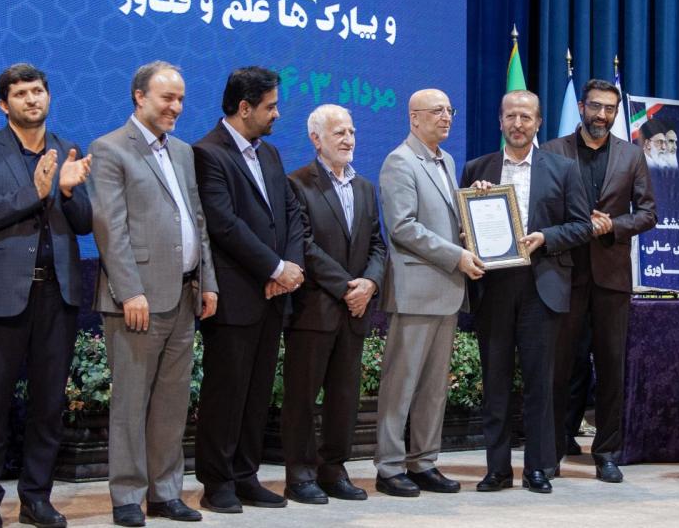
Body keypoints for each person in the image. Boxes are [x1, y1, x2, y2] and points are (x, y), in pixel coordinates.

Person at [0, 64, 93, 528]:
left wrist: (70, 192)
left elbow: (85, 223)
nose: (32, 99)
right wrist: (33, 191)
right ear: (4, 104)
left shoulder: (67, 148)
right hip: (2, 297)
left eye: (38, 91)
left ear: (48, 96)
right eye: (20, 94)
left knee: (49, 405)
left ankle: (36, 498)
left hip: (58, 294)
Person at [89, 62, 218, 526]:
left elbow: (197, 220)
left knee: (172, 403)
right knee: (130, 404)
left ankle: (165, 493)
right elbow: (109, 228)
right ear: (139, 97)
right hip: (137, 301)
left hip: (183, 296)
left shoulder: (182, 151)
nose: (176, 107)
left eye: (180, 98)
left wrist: (208, 282)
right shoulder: (109, 148)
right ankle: (127, 496)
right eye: (167, 98)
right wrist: (130, 292)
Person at [461, 91, 591, 494]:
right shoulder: (477, 169)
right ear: (500, 121)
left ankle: (538, 467)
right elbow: (462, 228)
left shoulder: (563, 169)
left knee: (541, 383)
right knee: (495, 383)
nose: (518, 124)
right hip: (494, 288)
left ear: (538, 123)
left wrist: (545, 238)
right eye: (511, 116)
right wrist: (471, 225)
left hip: (542, 287)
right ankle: (497, 469)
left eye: (526, 117)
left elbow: (582, 226)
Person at [191, 67, 304, 513]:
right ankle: (217, 481)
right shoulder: (208, 153)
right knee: (227, 393)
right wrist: (274, 267)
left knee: (257, 393)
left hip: (274, 295)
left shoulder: (269, 153)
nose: (277, 114)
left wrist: (290, 268)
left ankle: (245, 474)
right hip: (235, 296)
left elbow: (291, 213)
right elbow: (223, 225)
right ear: (244, 108)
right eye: (270, 106)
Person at [542, 79, 657, 483]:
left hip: (611, 278)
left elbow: (648, 213)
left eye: (610, 109)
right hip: (563, 274)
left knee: (610, 366)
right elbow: (541, 207)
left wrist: (614, 226)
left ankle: (606, 453)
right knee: (559, 367)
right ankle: (552, 450)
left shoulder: (632, 155)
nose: (602, 115)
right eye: (595, 107)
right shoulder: (553, 151)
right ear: (581, 107)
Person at [374, 89, 484, 497]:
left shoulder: (447, 161)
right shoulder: (400, 161)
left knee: (434, 387)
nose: (446, 117)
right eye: (437, 111)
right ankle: (389, 467)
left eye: (449, 110)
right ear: (414, 117)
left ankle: (423, 462)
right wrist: (457, 256)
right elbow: (403, 227)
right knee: (401, 383)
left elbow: (446, 222)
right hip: (417, 290)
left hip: (447, 290)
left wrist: (476, 212)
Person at [283, 104, 387, 504]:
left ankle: (334, 470)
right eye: (339, 132)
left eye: (352, 132)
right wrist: (347, 287)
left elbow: (378, 244)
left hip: (355, 310)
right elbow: (304, 245)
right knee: (302, 397)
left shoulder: (365, 187)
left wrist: (370, 283)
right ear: (316, 139)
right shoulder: (297, 183)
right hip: (314, 310)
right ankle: (300, 475)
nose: (348, 139)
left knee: (344, 397)